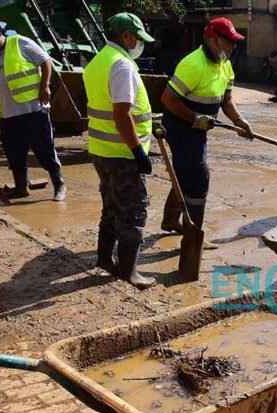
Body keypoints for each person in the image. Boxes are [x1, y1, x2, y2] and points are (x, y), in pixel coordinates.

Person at [158, 17, 253, 248]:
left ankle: (171, 220)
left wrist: (240, 121)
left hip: (200, 127)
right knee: (199, 176)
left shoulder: (225, 64)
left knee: (184, 172)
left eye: (234, 41)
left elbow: (226, 100)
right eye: (228, 41)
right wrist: (194, 119)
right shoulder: (193, 64)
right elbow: (167, 99)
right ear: (212, 39)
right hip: (180, 126)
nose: (233, 46)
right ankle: (194, 235)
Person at [82, 13, 156, 289]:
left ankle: (104, 259)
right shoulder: (122, 65)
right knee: (134, 211)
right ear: (126, 36)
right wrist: (138, 151)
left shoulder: (97, 62)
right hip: (123, 153)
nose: (139, 44)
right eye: (137, 38)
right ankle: (130, 272)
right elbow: (121, 113)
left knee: (111, 206)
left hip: (100, 150)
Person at [0, 22, 66, 202]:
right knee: (14, 152)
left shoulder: (19, 42)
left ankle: (59, 186)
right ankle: (21, 188)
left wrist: (44, 86)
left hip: (34, 109)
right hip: (9, 115)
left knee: (44, 148)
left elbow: (45, 60)